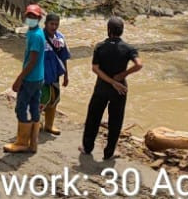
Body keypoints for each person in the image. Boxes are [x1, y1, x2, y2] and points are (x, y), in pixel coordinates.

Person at [83, 16, 143, 161]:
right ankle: (109, 153)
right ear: (122, 31)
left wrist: (110, 81)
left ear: (108, 30)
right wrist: (123, 74)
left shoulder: (100, 46)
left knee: (93, 118)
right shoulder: (129, 48)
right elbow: (139, 64)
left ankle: (87, 148)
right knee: (115, 120)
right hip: (120, 88)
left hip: (101, 87)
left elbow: (95, 68)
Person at [4, 4, 48, 154]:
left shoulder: (35, 36)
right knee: (34, 107)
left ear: (39, 18)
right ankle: (33, 142)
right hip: (38, 77)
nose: (30, 19)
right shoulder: (37, 32)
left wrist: (19, 79)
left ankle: (22, 142)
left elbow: (32, 60)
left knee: (21, 108)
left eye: (33, 17)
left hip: (31, 78)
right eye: (29, 16)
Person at [40, 12, 70, 136]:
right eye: (51, 24)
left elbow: (64, 57)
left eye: (56, 24)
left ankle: (49, 125)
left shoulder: (60, 38)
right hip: (41, 75)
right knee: (40, 100)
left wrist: (66, 75)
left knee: (54, 100)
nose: (54, 27)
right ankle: (34, 125)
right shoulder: (39, 37)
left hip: (55, 74)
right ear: (46, 24)